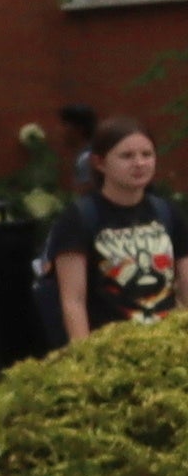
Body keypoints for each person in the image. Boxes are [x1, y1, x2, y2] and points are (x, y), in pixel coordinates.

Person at [53, 114, 177, 343]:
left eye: (147, 154)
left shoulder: (167, 212)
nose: (139, 163)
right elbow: (73, 300)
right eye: (127, 156)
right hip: (110, 348)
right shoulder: (79, 218)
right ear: (100, 163)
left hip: (167, 344)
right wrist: (85, 357)